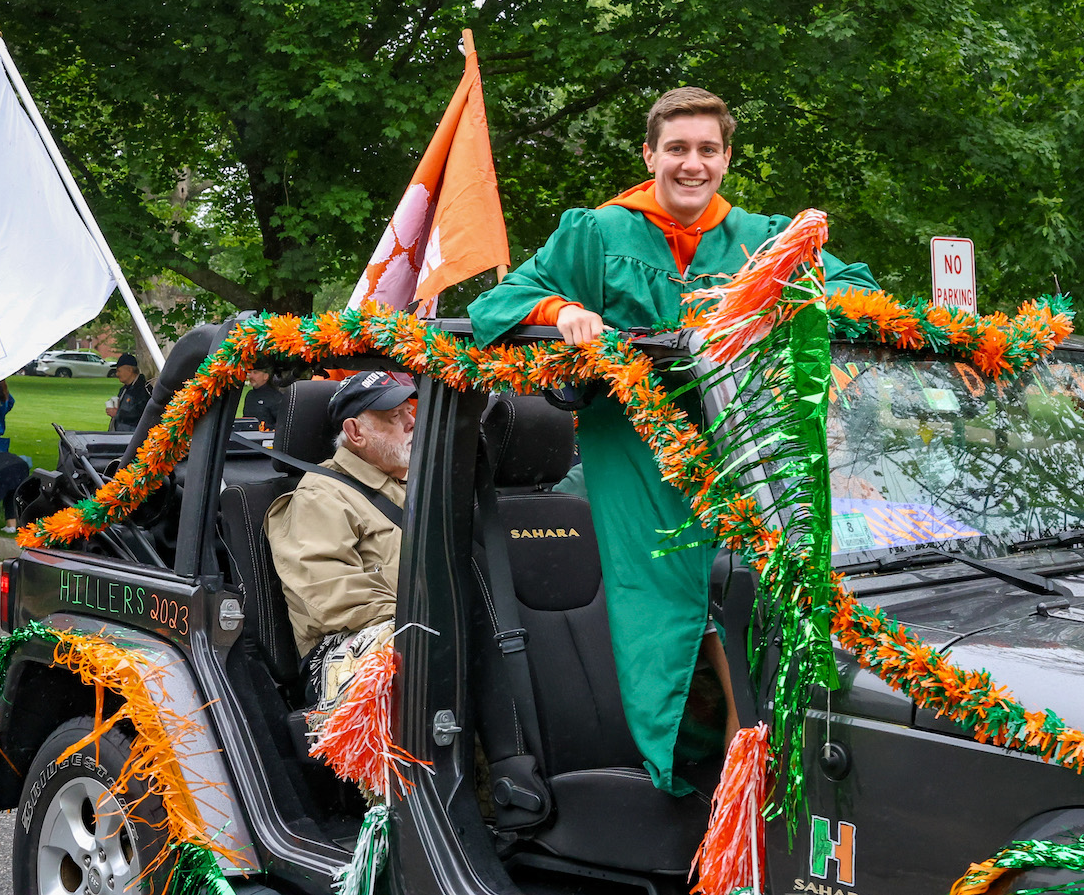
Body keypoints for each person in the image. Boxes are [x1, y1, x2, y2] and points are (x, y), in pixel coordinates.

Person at [468, 87, 879, 796]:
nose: (693, 164)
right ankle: (715, 781)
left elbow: (856, 293)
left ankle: (754, 779)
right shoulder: (598, 234)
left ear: (727, 158)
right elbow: (497, 304)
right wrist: (562, 310)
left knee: (760, 599)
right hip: (637, 457)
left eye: (708, 150)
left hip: (744, 451)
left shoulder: (761, 238)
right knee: (666, 607)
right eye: (678, 148)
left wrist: (790, 303)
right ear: (650, 154)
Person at [264, 371, 414, 715]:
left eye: (409, 412)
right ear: (355, 433)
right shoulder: (321, 495)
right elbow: (332, 597)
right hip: (355, 650)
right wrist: (431, 620)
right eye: (395, 417)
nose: (411, 423)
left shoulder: (419, 483)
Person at [107, 353, 151, 432]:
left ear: (130, 370)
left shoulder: (143, 389)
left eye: (119, 371)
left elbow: (142, 414)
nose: (117, 374)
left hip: (134, 436)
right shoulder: (124, 389)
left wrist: (117, 413)